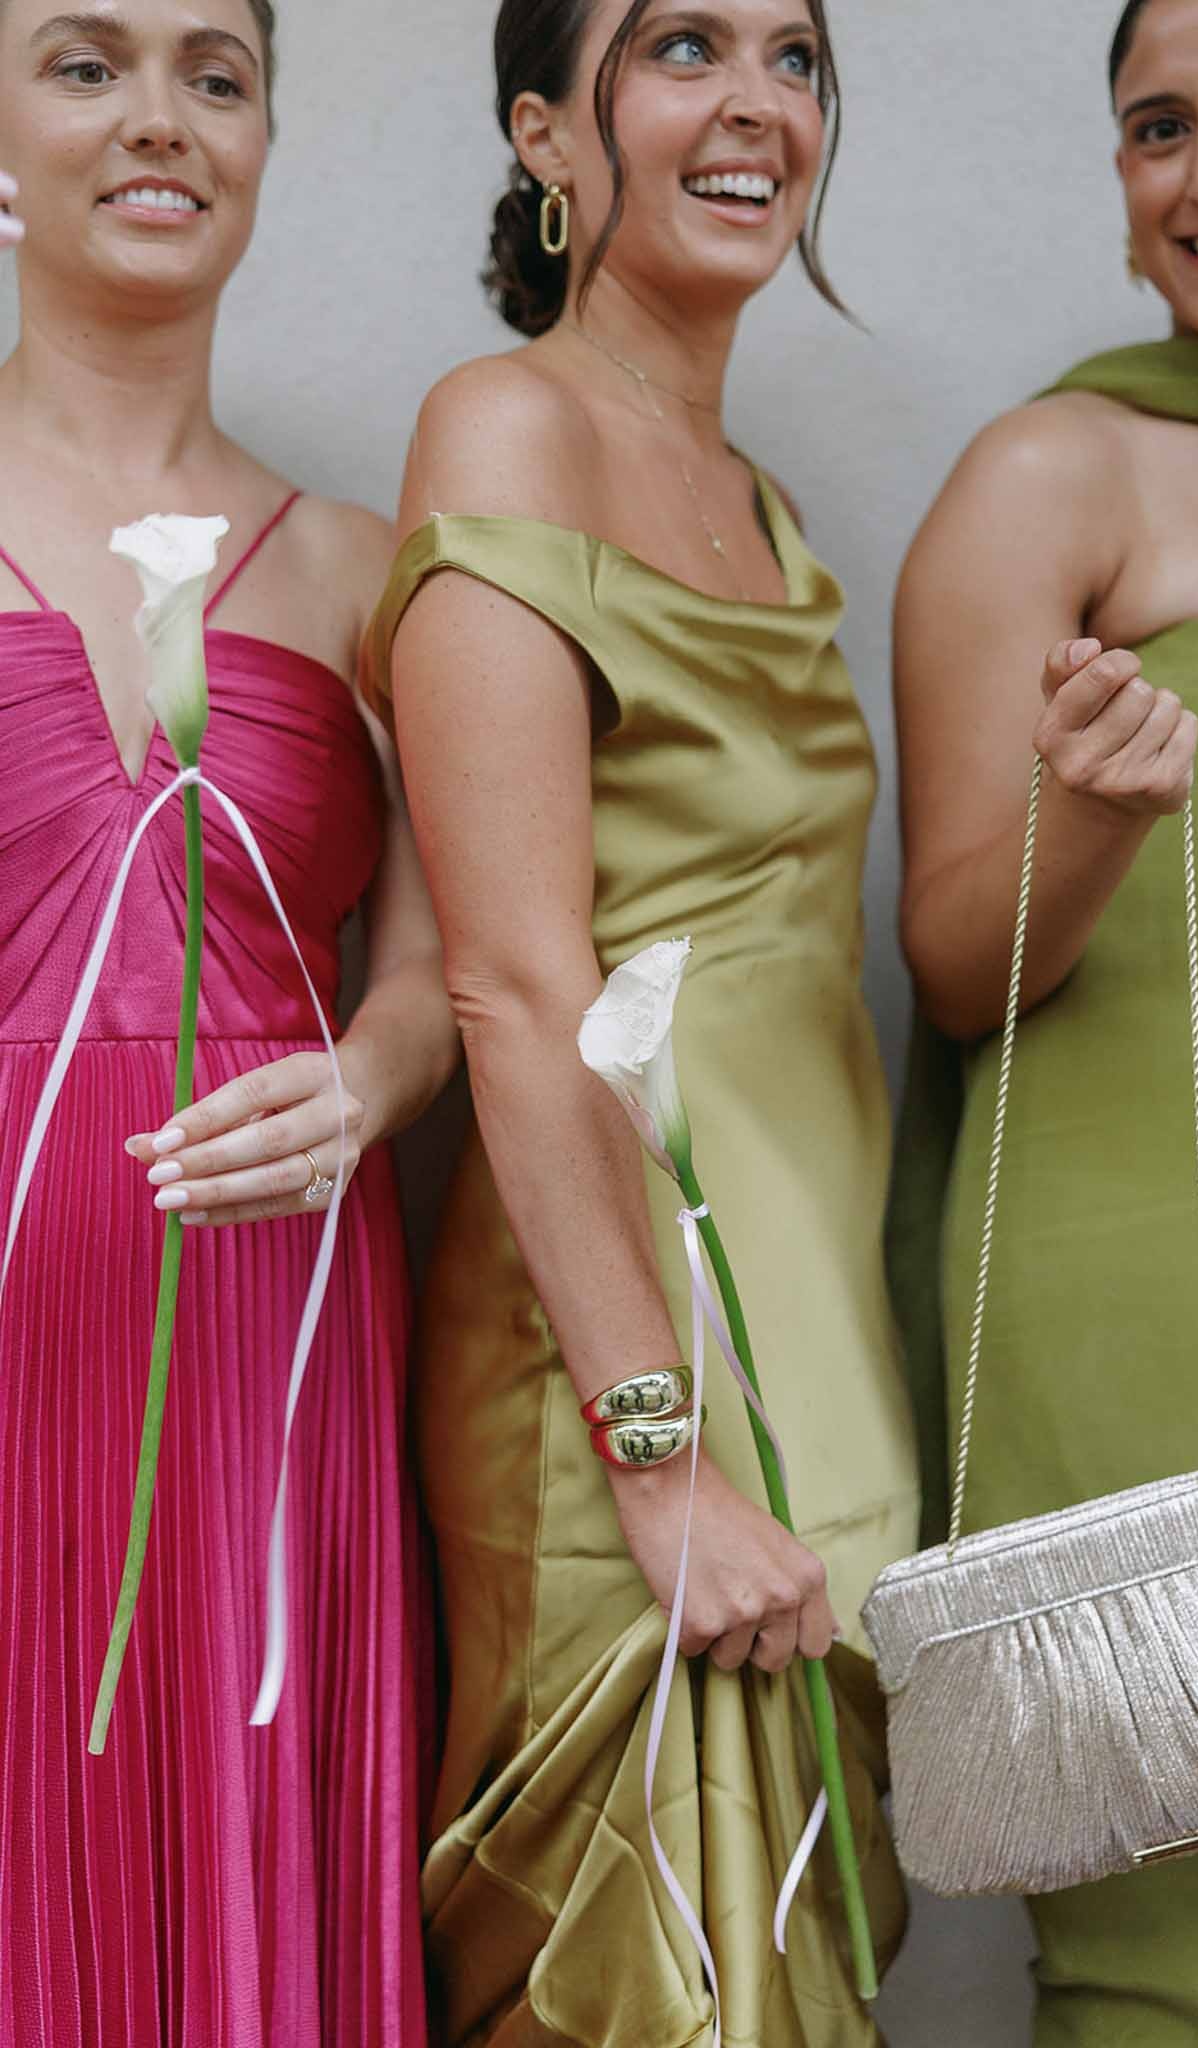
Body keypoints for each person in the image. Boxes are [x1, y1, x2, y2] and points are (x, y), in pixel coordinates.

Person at [361, 0, 920, 2040]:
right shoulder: (506, 427)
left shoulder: (769, 509)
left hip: (811, 1348)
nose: (756, 100)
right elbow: (511, 982)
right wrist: (661, 1458)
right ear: (546, 133)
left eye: (792, 55)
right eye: (682, 44)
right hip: (613, 1362)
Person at [890, 0, 1198, 2039]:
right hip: (1162, 1295)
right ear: (1115, 182)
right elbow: (947, 959)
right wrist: (1087, 809)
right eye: (1156, 126)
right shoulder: (1050, 471)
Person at [0, 3, 456, 2041]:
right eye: (83, 63)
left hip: (271, 1356)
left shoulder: (361, 569)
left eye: (215, 74)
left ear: (263, 142)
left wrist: (365, 1080)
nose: (158, 119)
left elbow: (448, 966)